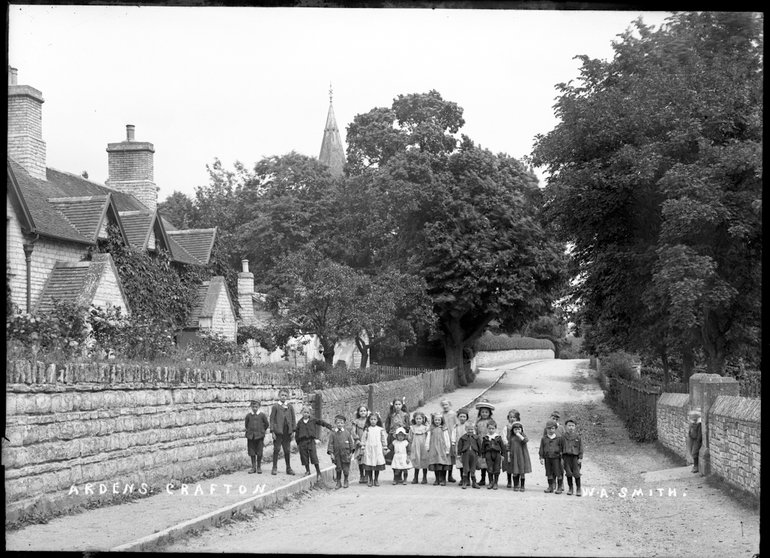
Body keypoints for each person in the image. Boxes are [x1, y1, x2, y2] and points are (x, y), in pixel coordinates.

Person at [293, 405, 333, 480]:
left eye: (307, 412)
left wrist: (329, 426)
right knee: (304, 457)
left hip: (311, 441)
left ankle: (318, 472)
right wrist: (298, 442)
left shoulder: (313, 420)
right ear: (302, 413)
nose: (306, 414)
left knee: (313, 456)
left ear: (310, 413)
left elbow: (321, 422)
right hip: (302, 442)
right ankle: (307, 471)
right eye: (304, 412)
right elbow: (297, 433)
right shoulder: (300, 422)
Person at [327, 414, 360, 489]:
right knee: (338, 468)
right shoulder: (333, 434)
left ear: (344, 424)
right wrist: (331, 453)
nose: (340, 424)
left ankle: (346, 480)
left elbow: (351, 443)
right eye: (338, 423)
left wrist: (351, 452)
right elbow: (330, 444)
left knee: (345, 468)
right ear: (335, 423)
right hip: (337, 454)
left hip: (346, 454)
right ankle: (338, 482)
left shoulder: (347, 433)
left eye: (341, 423)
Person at [269, 389, 297, 475]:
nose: (283, 397)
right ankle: (274, 467)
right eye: (282, 395)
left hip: (287, 432)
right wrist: (272, 431)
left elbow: (293, 419)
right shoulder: (275, 407)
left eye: (285, 395)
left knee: (287, 450)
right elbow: (272, 419)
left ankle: (288, 468)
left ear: (287, 397)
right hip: (278, 431)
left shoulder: (290, 407)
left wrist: (293, 431)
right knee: (276, 449)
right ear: (279, 396)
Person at [360, 412, 387, 487]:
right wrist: (363, 447)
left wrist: (385, 447)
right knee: (369, 464)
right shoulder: (367, 429)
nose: (373, 421)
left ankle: (376, 479)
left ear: (377, 420)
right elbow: (363, 439)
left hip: (377, 449)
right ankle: (370, 479)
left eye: (374, 419)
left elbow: (383, 439)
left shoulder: (380, 429)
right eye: (371, 419)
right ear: (369, 420)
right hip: (369, 449)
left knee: (377, 464)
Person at [426, 412, 452, 486]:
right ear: (433, 420)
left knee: (443, 464)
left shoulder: (444, 429)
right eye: (435, 420)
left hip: (442, 449)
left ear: (441, 420)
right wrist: (427, 447)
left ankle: (443, 479)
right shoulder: (431, 429)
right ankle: (437, 479)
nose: (437, 421)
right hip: (434, 449)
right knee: (436, 464)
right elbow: (428, 438)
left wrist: (447, 449)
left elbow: (447, 439)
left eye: (439, 420)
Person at [539, 419, 565, 493]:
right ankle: (550, 486)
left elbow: (562, 448)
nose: (550, 430)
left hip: (557, 458)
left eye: (552, 428)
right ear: (546, 429)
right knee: (549, 473)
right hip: (547, 458)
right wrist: (541, 457)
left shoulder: (559, 438)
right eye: (549, 428)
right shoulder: (544, 439)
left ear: (555, 429)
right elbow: (541, 448)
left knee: (558, 472)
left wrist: (562, 457)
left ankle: (559, 487)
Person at [245, 400, 269, 474]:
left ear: (259, 407)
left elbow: (266, 424)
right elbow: (246, 425)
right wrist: (249, 432)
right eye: (253, 407)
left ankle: (259, 467)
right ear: (251, 407)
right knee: (252, 452)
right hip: (251, 437)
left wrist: (262, 431)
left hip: (259, 436)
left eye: (256, 407)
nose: (254, 408)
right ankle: (253, 467)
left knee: (259, 452)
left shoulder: (262, 415)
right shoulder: (248, 416)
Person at [474, 400, 495, 486]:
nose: (484, 413)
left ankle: (491, 480)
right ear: (480, 413)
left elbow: (494, 432)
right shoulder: (478, 422)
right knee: (482, 462)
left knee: (489, 462)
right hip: (480, 444)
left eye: (486, 412)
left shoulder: (491, 422)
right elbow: (475, 432)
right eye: (482, 412)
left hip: (488, 444)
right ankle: (482, 479)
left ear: (489, 413)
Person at [507, 420, 532, 492]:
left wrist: (519, 435)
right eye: (515, 429)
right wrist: (508, 456)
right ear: (512, 430)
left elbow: (525, 440)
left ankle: (522, 486)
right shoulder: (511, 437)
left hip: (522, 456)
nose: (517, 430)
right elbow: (508, 447)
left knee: (522, 471)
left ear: (521, 430)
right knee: (515, 471)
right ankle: (516, 485)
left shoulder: (523, 436)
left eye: (519, 429)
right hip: (514, 456)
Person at [385, 398, 411, 465]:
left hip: (401, 436)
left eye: (399, 404)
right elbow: (387, 424)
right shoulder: (391, 415)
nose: (397, 406)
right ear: (393, 405)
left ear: (402, 405)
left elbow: (408, 425)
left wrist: (403, 427)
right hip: (392, 435)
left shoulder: (405, 415)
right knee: (393, 450)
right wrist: (389, 431)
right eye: (396, 404)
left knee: (402, 451)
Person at [481, 419, 505, 490]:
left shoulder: (498, 437)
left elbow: (502, 447)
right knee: (490, 468)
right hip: (488, 454)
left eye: (493, 428)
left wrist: (502, 455)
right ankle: (491, 482)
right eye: (489, 428)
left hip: (497, 454)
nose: (491, 430)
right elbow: (483, 447)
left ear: (495, 429)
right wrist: (483, 456)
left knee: (497, 468)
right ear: (487, 428)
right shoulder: (486, 438)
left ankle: (496, 482)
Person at [562, 418, 583, 496]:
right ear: (566, 426)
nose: (571, 427)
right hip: (566, 457)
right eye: (569, 425)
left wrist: (580, 457)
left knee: (576, 473)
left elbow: (581, 447)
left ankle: (578, 488)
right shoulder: (563, 436)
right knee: (568, 473)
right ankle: (570, 488)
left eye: (572, 426)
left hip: (575, 457)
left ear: (575, 427)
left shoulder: (578, 437)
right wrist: (561, 457)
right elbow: (560, 446)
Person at [457, 422, 481, 489]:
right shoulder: (462, 438)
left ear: (474, 429)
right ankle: (465, 482)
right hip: (465, 455)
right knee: (466, 468)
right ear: (466, 429)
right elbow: (459, 446)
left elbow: (479, 446)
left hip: (474, 455)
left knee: (473, 469)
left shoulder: (476, 438)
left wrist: (480, 454)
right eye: (468, 429)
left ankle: (474, 482)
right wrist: (459, 454)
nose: (470, 431)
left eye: (472, 429)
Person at [408, 411, 430, 484]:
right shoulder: (412, 428)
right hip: (415, 447)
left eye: (420, 418)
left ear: (423, 419)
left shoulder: (425, 428)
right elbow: (410, 438)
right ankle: (416, 477)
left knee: (424, 460)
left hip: (423, 447)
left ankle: (424, 477)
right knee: (416, 460)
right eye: (417, 418)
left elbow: (428, 437)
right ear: (414, 419)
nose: (418, 420)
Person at [451, 407, 471, 486]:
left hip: (467, 447)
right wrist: (453, 445)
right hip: (459, 447)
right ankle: (462, 479)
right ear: (458, 417)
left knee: (467, 463)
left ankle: (468, 479)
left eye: (464, 417)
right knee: (460, 464)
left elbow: (473, 435)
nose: (462, 418)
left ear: (466, 418)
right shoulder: (456, 427)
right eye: (461, 416)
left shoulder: (469, 426)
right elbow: (453, 437)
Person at [350, 405, 370, 483]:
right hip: (359, 442)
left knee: (367, 458)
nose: (363, 412)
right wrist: (357, 440)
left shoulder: (368, 421)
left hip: (367, 442)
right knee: (360, 459)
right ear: (358, 412)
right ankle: (361, 475)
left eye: (364, 411)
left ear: (367, 412)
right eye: (361, 411)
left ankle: (367, 475)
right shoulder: (356, 421)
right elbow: (353, 431)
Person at [440, 399, 458, 482]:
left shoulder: (453, 414)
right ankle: (442, 475)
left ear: (450, 405)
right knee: (444, 456)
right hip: (443, 436)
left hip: (451, 436)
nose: (445, 406)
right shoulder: (441, 414)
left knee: (451, 457)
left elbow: (456, 425)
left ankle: (450, 475)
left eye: (446, 404)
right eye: (443, 405)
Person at [503, 409, 518, 488]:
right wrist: (506, 442)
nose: (512, 419)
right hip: (509, 448)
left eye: (514, 417)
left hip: (516, 448)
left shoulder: (519, 427)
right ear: (508, 418)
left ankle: (516, 480)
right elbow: (504, 436)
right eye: (511, 417)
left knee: (516, 463)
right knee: (509, 464)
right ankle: (509, 481)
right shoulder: (506, 427)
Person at [687, 409, 703, 474]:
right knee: (691, 451)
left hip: (696, 440)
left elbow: (699, 434)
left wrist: (698, 440)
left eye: (694, 417)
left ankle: (696, 466)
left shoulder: (699, 424)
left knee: (694, 453)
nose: (693, 419)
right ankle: (695, 465)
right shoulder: (692, 424)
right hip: (692, 439)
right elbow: (690, 431)